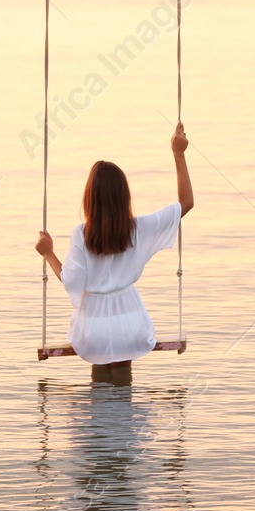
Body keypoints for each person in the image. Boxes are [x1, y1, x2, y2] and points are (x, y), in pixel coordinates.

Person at [35, 123, 194, 376]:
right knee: (122, 386)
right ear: (124, 197)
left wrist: (48, 253)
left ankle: (104, 413)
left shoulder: (82, 234)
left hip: (93, 325)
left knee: (100, 386)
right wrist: (178, 154)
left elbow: (71, 280)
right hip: (129, 320)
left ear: (90, 199)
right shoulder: (138, 229)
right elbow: (186, 203)